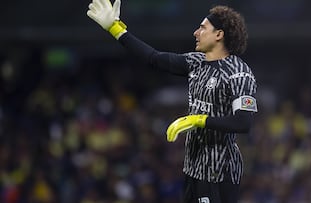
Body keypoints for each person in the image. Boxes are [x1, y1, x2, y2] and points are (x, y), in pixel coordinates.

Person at [87, 0, 258, 202]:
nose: (196, 32)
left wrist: (198, 120)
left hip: (219, 172)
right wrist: (116, 29)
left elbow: (243, 122)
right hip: (193, 168)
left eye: (202, 28)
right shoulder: (197, 62)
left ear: (219, 35)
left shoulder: (240, 74)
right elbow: (154, 58)